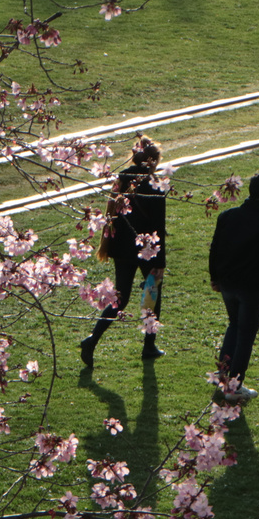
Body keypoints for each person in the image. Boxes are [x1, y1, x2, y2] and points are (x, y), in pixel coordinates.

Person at [81, 138, 168, 366]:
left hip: (121, 247)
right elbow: (159, 225)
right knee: (152, 295)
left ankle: (93, 338)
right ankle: (149, 345)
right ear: (153, 161)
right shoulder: (155, 184)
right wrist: (161, 261)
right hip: (147, 248)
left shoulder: (122, 178)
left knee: (121, 296)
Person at [209, 172, 259, 401]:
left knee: (234, 326)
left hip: (227, 283)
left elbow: (214, 249)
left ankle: (223, 375)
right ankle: (234, 387)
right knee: (246, 335)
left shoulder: (227, 216)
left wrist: (215, 278)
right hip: (251, 289)